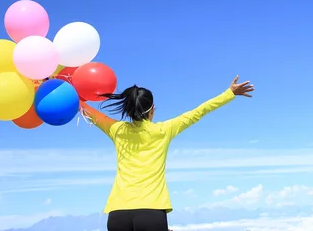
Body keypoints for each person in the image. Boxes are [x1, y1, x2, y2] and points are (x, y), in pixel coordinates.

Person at [79, 76, 255, 231]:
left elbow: (90, 113)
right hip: (151, 213)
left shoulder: (116, 130)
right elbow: (198, 112)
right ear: (152, 109)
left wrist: (63, 88)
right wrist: (229, 93)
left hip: (117, 215)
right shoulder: (163, 130)